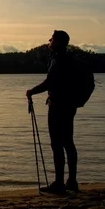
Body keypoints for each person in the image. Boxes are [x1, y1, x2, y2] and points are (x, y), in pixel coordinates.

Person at [26, 30, 79, 194]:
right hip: (70, 105)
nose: (49, 41)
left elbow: (50, 82)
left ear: (58, 42)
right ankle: (72, 181)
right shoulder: (68, 58)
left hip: (58, 106)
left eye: (52, 39)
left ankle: (59, 183)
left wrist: (31, 91)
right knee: (68, 142)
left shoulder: (58, 59)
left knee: (57, 144)